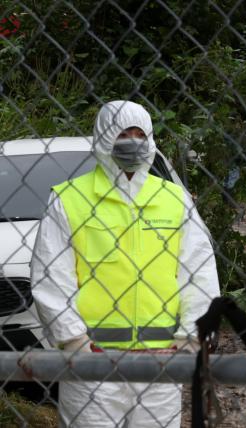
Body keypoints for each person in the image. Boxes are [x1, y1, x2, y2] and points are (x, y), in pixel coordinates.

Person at [30, 100, 221, 427]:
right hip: (91, 364)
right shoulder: (69, 199)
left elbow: (199, 274)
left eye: (140, 134)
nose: (133, 142)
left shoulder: (174, 199)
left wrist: (189, 340)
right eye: (123, 134)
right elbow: (51, 281)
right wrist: (76, 343)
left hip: (160, 364)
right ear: (103, 137)